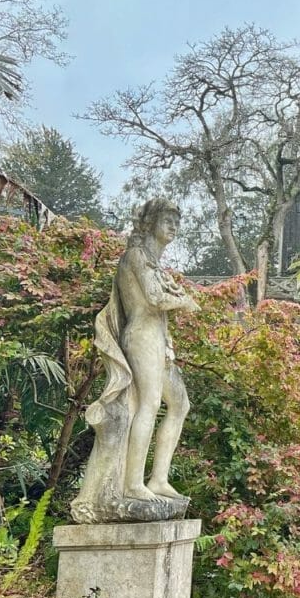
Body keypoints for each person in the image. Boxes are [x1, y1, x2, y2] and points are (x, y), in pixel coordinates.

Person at [116, 198, 199, 500]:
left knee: (180, 404)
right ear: (150, 223)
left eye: (177, 221)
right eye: (167, 220)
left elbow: (160, 300)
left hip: (158, 340)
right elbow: (154, 298)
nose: (174, 226)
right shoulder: (136, 256)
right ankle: (132, 483)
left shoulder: (153, 261)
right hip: (141, 336)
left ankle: (158, 479)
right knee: (148, 404)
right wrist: (184, 300)